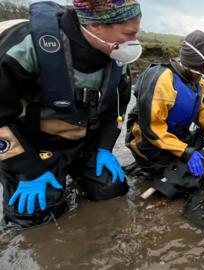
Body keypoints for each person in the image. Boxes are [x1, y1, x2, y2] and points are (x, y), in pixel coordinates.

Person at [0, 0, 141, 228]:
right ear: (96, 26)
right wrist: (27, 168)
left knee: (111, 188)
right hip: (33, 146)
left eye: (137, 33)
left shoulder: (118, 57)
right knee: (34, 214)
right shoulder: (24, 49)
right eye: (129, 33)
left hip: (85, 143)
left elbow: (118, 108)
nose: (134, 42)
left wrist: (105, 148)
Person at [125, 30, 204, 192]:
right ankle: (144, 171)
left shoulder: (198, 81)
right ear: (198, 63)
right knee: (185, 183)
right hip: (148, 143)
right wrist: (186, 152)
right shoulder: (162, 81)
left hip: (175, 137)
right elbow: (151, 130)